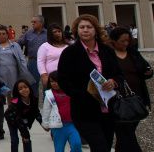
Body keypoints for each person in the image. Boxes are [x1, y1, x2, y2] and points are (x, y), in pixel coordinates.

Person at [57, 14, 123, 151]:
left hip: (108, 109)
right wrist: (82, 94)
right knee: (100, 146)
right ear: (77, 30)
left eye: (89, 27)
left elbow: (119, 74)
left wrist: (113, 81)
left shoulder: (107, 51)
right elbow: (63, 80)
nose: (85, 30)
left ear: (96, 30)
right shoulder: (70, 53)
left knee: (105, 144)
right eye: (82, 27)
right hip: (84, 110)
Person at [109, 26, 152, 152]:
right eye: (122, 41)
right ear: (114, 41)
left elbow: (144, 68)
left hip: (136, 98)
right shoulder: (108, 55)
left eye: (128, 40)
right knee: (124, 133)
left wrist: (148, 72)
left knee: (127, 133)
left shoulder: (133, 53)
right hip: (117, 99)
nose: (126, 43)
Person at [41, 71, 82, 152]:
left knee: (76, 144)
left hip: (72, 124)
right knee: (59, 149)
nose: (54, 83)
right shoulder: (49, 95)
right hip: (57, 126)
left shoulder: (70, 91)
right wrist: (45, 124)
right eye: (52, 81)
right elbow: (46, 110)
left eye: (57, 81)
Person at [4, 79, 43, 152]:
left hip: (23, 120)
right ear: (17, 91)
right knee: (15, 140)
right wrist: (25, 134)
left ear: (29, 88)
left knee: (27, 140)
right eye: (20, 89)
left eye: (25, 87)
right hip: (12, 120)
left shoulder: (34, 99)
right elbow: (18, 119)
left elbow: (36, 112)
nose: (24, 90)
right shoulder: (15, 102)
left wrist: (43, 123)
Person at [0, 25, 26, 92]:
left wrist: (24, 71)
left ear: (7, 35)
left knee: (13, 92)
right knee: (1, 92)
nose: (1, 35)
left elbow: (22, 59)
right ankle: (3, 102)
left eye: (3, 34)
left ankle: (12, 102)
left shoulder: (15, 45)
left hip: (12, 73)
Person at [17, 15, 47, 95]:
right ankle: (34, 104)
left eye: (34, 22)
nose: (32, 24)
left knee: (46, 83)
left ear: (41, 23)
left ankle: (47, 103)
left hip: (46, 62)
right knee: (32, 83)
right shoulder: (28, 33)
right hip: (33, 61)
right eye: (32, 22)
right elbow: (19, 44)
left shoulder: (47, 34)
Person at [37, 23, 68, 89]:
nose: (58, 33)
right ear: (50, 34)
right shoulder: (44, 46)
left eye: (59, 31)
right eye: (55, 32)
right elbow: (40, 62)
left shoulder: (67, 46)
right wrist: (44, 75)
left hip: (67, 77)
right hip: (52, 80)